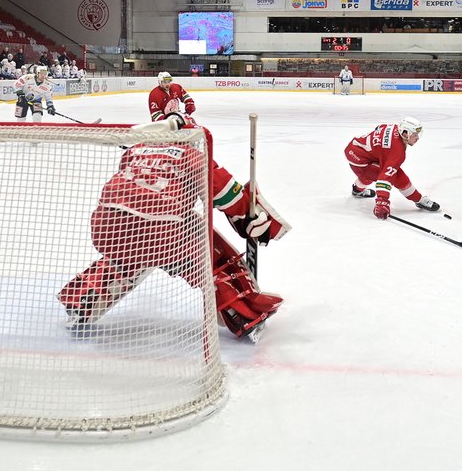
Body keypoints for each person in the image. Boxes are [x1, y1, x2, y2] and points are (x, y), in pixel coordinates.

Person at [57, 113, 290, 340]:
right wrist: (248, 215)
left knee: (129, 254)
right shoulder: (192, 155)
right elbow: (225, 194)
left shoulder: (135, 150)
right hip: (161, 232)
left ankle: (82, 300)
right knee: (208, 248)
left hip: (105, 226)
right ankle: (241, 312)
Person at [344, 116, 441, 219]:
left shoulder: (394, 127)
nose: (417, 138)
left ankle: (357, 190)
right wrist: (382, 203)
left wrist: (379, 148)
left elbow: (379, 127)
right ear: (405, 134)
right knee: (398, 176)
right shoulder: (397, 152)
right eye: (415, 135)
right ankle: (419, 200)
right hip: (359, 159)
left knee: (372, 173)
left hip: (356, 148)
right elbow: (384, 178)